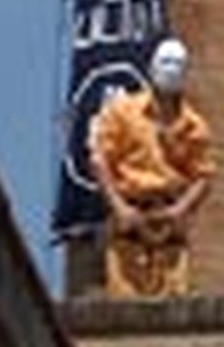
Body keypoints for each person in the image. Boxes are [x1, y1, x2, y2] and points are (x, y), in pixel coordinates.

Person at [90, 38, 215, 298]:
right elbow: (100, 161)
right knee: (125, 299)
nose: (171, 69)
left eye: (178, 64)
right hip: (131, 213)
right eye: (166, 62)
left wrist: (181, 210)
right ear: (152, 67)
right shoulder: (123, 111)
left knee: (173, 296)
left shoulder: (194, 126)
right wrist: (119, 207)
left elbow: (203, 176)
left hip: (168, 218)